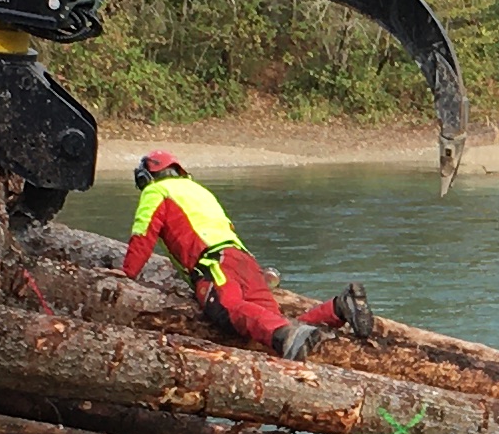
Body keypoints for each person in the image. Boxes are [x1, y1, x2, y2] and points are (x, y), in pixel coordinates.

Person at [118, 151, 380, 358]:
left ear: (148, 176)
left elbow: (143, 234)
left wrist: (127, 273)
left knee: (228, 309)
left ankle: (287, 333)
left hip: (214, 263)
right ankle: (336, 308)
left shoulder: (156, 191)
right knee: (267, 324)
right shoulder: (200, 191)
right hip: (243, 260)